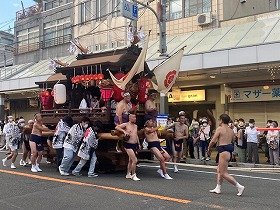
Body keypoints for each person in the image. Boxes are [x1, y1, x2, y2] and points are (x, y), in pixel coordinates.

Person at [208, 114, 245, 196]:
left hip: (223, 151)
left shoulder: (220, 129)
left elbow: (213, 140)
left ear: (221, 120)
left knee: (223, 173)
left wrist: (209, 148)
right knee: (219, 170)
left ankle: (239, 186)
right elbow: (233, 140)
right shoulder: (231, 130)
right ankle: (218, 187)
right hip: (228, 151)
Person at [116, 112, 141, 181]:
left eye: (135, 117)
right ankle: (133, 175)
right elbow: (117, 127)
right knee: (135, 160)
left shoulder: (136, 126)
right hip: (128, 144)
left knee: (130, 160)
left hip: (135, 144)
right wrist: (124, 131)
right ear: (130, 118)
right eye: (133, 117)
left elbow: (136, 135)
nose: (135, 119)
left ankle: (128, 174)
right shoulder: (126, 124)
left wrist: (139, 143)